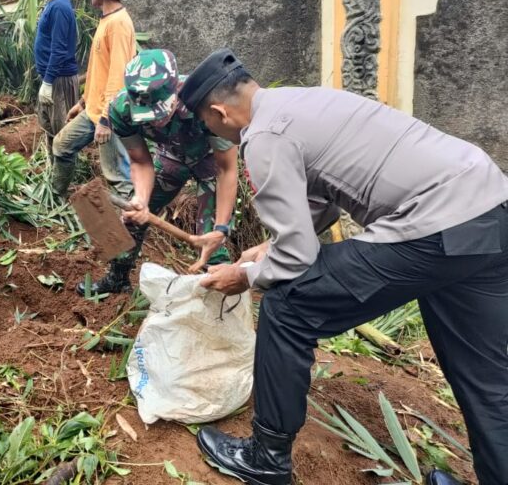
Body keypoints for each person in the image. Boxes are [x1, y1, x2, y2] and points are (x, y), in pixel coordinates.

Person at [178, 48, 508, 485]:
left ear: (219, 111)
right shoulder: (302, 101)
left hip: (434, 225)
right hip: (491, 209)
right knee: (486, 377)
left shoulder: (263, 137)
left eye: (208, 124)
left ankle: (266, 458)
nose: (213, 132)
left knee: (288, 307)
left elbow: (296, 259)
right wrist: (264, 249)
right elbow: (319, 206)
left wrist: (243, 276)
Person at [78, 49, 238, 295]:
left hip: (210, 161)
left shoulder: (204, 101)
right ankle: (118, 278)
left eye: (160, 113)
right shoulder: (122, 109)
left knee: (211, 239)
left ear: (175, 93)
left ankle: (221, 299)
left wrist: (222, 227)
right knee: (132, 216)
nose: (154, 122)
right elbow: (140, 160)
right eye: (148, 118)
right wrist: (140, 200)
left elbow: (226, 169)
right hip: (171, 156)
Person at [50, 0, 134, 201]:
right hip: (94, 109)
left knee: (117, 176)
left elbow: (118, 75)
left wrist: (107, 119)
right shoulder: (107, 20)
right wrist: (84, 101)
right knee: (61, 145)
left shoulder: (118, 24)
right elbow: (100, 69)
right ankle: (56, 199)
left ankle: (126, 232)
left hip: (111, 114)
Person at [30, 0, 79, 156]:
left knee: (63, 135)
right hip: (52, 78)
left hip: (59, 80)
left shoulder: (60, 7)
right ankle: (54, 175)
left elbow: (59, 49)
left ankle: (67, 181)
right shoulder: (53, 4)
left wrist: (49, 81)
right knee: (51, 130)